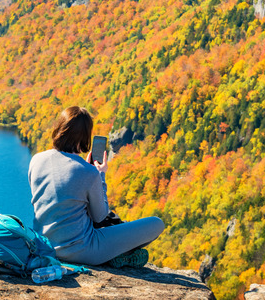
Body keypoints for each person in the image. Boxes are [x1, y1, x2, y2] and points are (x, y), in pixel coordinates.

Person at [28, 106, 165, 267]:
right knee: (156, 223)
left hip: (43, 246)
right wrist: (99, 175)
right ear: (86, 136)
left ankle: (117, 254)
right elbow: (99, 216)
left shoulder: (36, 160)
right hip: (81, 252)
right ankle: (119, 254)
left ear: (59, 129)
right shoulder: (89, 172)